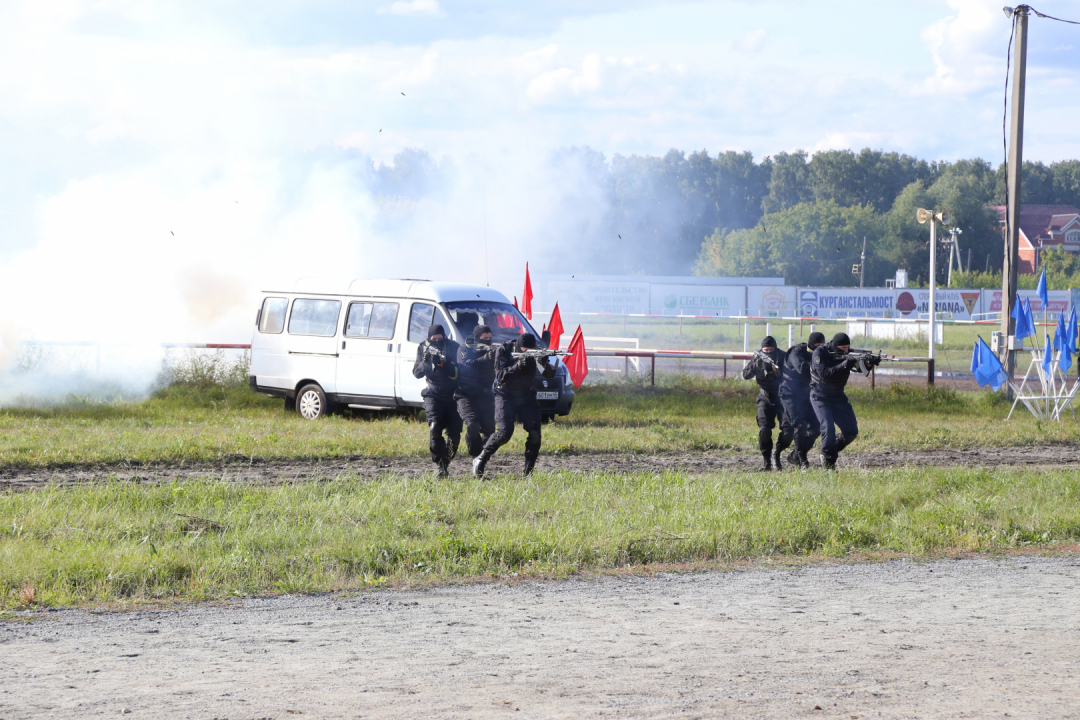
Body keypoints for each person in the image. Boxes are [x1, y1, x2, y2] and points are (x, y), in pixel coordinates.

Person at [472, 332, 557, 477]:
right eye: (524, 350)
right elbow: (500, 376)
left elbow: (548, 374)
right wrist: (517, 366)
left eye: (529, 349)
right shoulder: (504, 350)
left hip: (526, 396)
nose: (527, 352)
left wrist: (543, 362)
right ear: (518, 347)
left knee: (535, 433)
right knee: (505, 433)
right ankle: (481, 458)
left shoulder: (536, 350)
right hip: (505, 394)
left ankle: (528, 472)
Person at [810, 332, 876, 470]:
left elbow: (860, 369)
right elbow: (824, 375)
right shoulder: (820, 353)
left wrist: (869, 363)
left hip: (838, 396)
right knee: (828, 429)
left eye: (848, 347)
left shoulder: (849, 354)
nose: (846, 350)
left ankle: (830, 452)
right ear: (835, 346)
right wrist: (844, 365)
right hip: (820, 396)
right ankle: (828, 463)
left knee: (851, 432)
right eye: (843, 348)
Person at [412, 324, 462, 478]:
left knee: (454, 436)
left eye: (440, 339)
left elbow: (459, 372)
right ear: (429, 338)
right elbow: (417, 373)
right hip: (433, 393)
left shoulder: (454, 347)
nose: (437, 341)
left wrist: (443, 364)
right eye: (434, 339)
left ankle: (445, 463)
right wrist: (425, 363)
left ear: (445, 337)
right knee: (435, 427)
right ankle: (439, 464)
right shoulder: (423, 347)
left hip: (454, 395)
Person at [779, 331, 826, 470]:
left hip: (806, 394)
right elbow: (802, 369)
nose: (819, 349)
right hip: (789, 394)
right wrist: (820, 362)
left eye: (821, 346)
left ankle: (795, 455)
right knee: (800, 427)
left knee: (817, 427)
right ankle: (802, 461)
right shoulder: (797, 351)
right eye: (816, 346)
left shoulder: (823, 353)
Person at [741, 336, 787, 471]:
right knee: (765, 430)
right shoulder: (758, 358)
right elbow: (745, 375)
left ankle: (776, 454)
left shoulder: (783, 357)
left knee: (788, 432)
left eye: (771, 350)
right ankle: (766, 462)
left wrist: (774, 370)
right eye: (765, 350)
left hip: (783, 398)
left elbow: (789, 377)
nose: (768, 352)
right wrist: (756, 365)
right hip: (765, 398)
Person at [455, 324, 497, 459]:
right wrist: (485, 358)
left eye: (490, 338)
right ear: (477, 338)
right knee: (472, 425)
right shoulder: (464, 348)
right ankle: (475, 454)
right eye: (485, 338)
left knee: (490, 430)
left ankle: (481, 457)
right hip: (466, 394)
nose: (488, 340)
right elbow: (465, 364)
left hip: (485, 394)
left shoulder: (493, 350)